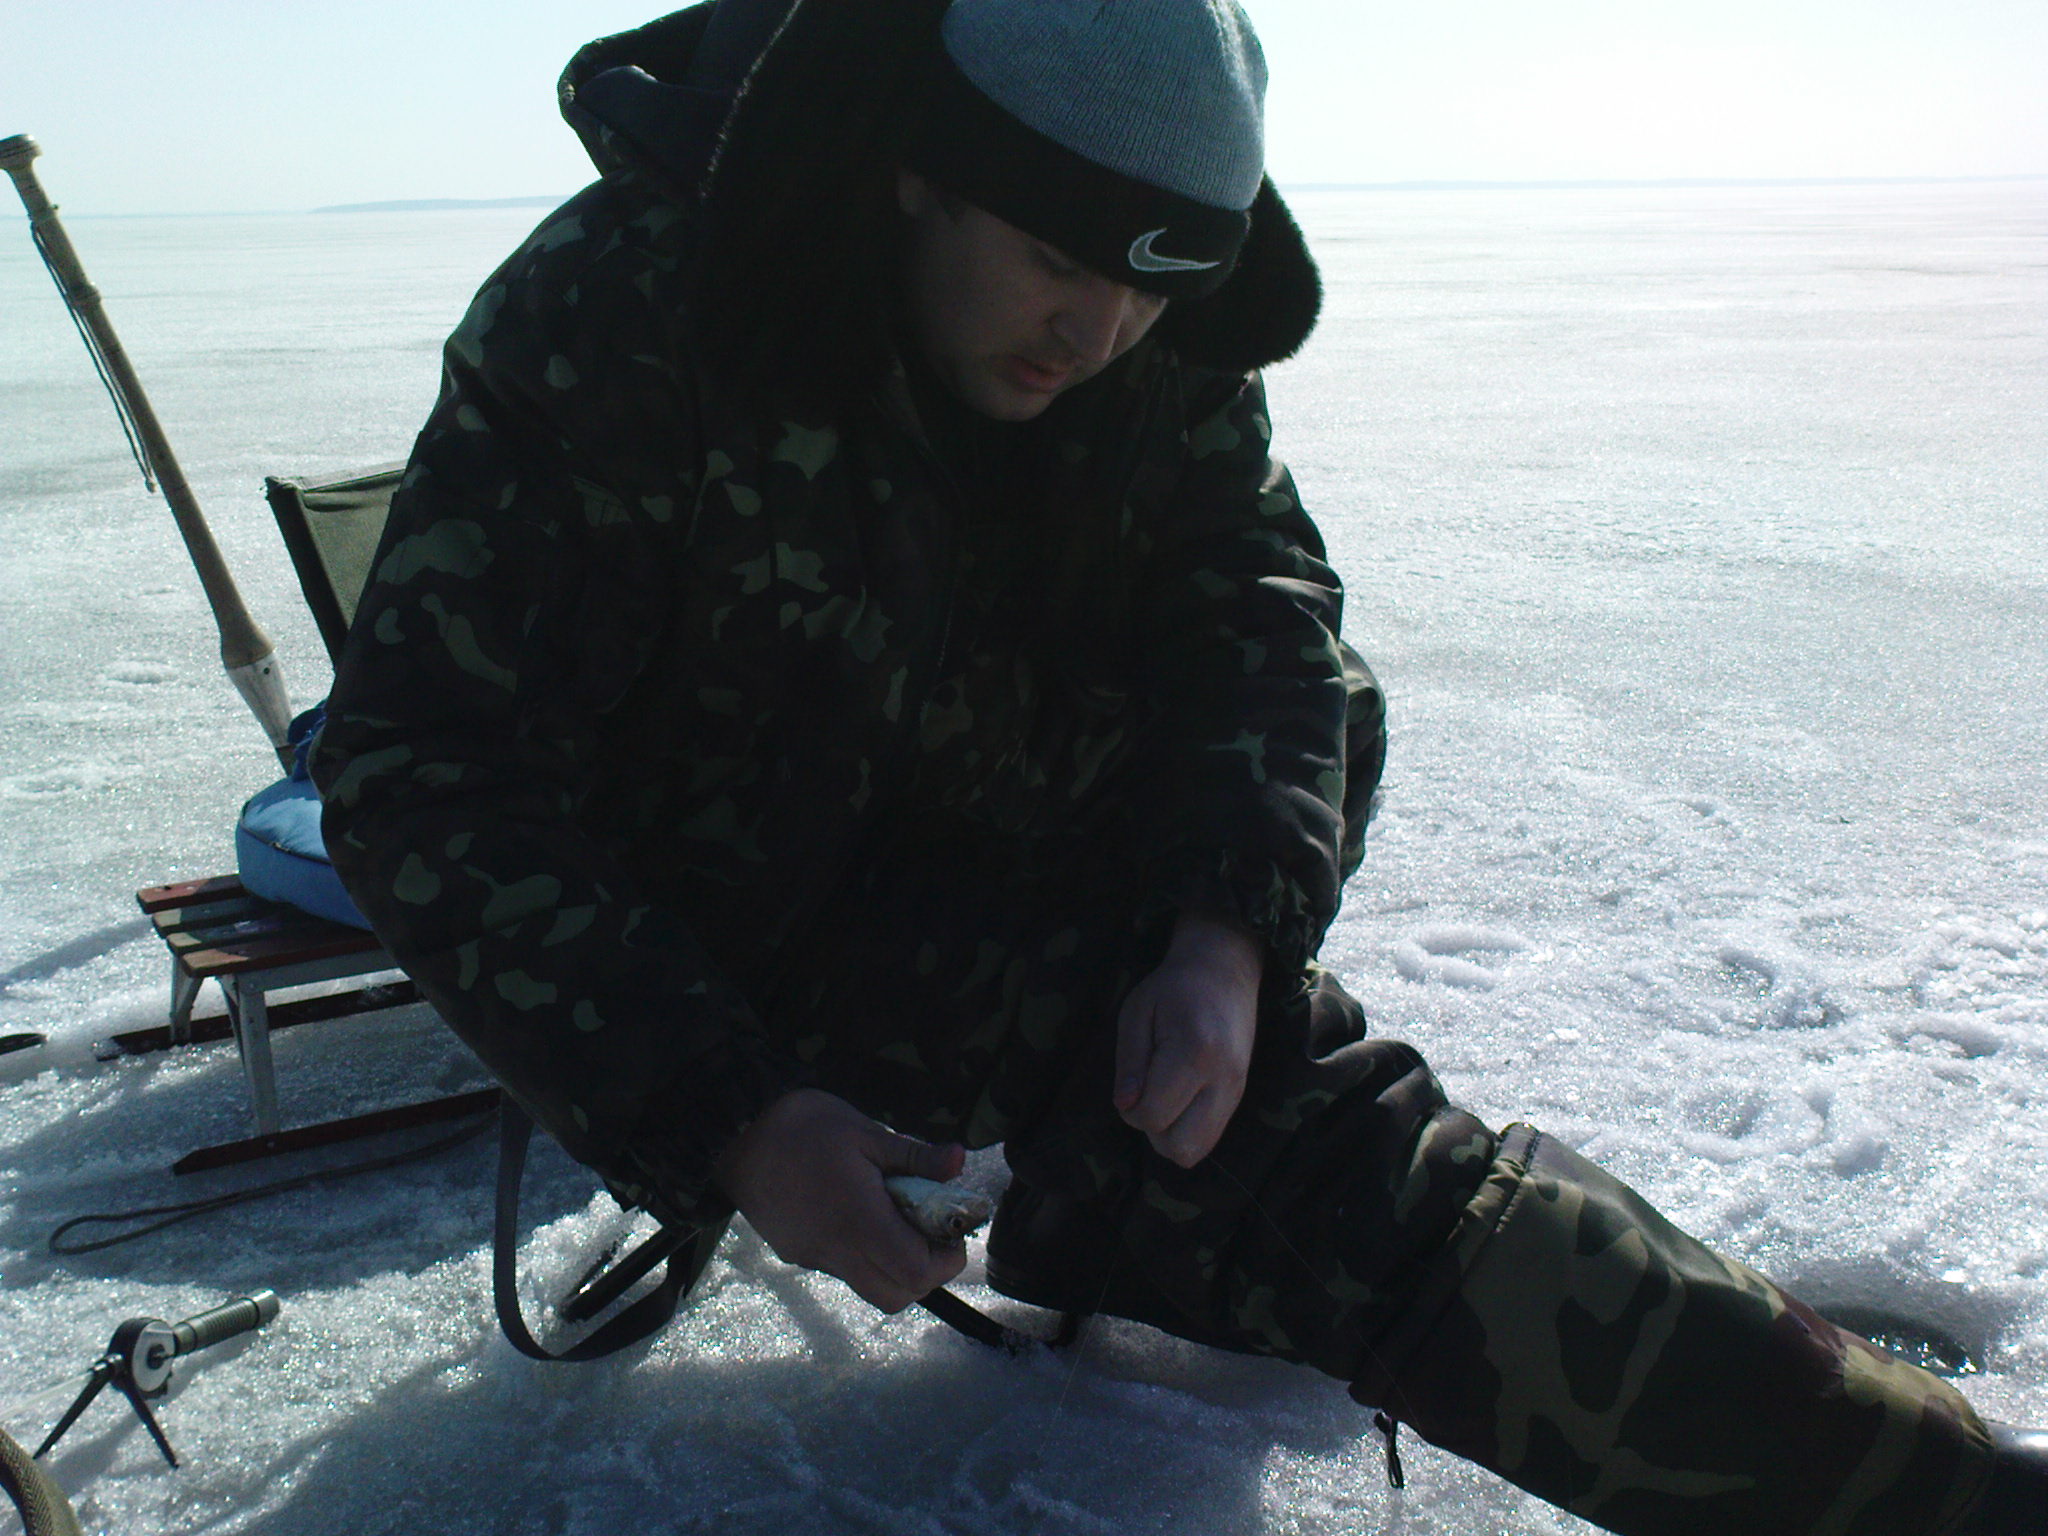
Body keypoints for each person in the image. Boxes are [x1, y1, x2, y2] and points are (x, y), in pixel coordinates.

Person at [310, 1, 2045, 1530]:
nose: (1100, 334)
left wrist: (1224, 933)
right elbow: (422, 770)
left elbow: (1261, 612)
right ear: (917, 169)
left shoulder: (1149, 328)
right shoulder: (623, 315)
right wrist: (730, 1115)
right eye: (1057, 262)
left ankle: (1940, 1498)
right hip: (699, 949)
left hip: (1022, 898)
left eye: (1152, 284)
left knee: (1352, 1164)